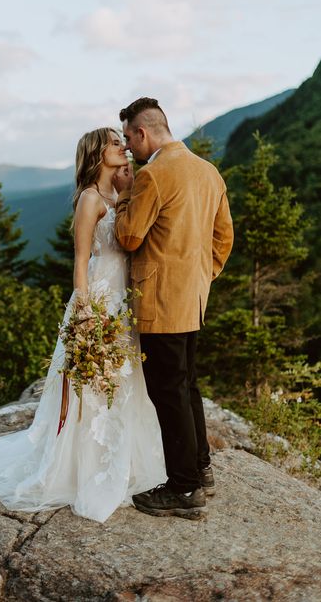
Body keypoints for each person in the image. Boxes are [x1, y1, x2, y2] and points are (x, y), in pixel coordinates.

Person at [0, 127, 165, 523]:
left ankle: (124, 462)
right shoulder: (90, 199)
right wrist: (86, 312)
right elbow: (80, 262)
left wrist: (127, 191)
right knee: (91, 388)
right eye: (114, 142)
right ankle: (83, 467)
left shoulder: (117, 195)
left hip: (124, 302)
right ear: (96, 154)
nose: (123, 147)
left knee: (126, 382)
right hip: (99, 300)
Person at [114, 97, 234, 519]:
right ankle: (200, 471)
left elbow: (128, 238)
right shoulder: (208, 172)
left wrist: (125, 195)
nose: (128, 147)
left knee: (168, 392)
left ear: (143, 132)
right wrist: (202, 277)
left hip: (160, 299)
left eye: (129, 137)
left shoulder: (153, 177)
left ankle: (183, 489)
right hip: (192, 298)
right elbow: (224, 239)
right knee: (187, 386)